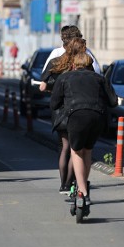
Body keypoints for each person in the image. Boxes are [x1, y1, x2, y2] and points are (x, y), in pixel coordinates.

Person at [50, 49, 118, 215]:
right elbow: (114, 102)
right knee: (87, 151)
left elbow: (54, 104)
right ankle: (83, 185)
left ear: (73, 65)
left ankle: (83, 192)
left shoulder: (64, 77)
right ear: (90, 66)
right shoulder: (100, 79)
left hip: (77, 117)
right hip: (97, 117)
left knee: (75, 151)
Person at [41, 37, 81, 193]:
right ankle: (71, 181)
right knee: (75, 149)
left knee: (64, 146)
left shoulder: (55, 62)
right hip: (77, 108)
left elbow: (43, 86)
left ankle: (63, 184)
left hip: (59, 109)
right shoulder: (82, 64)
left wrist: (54, 88)